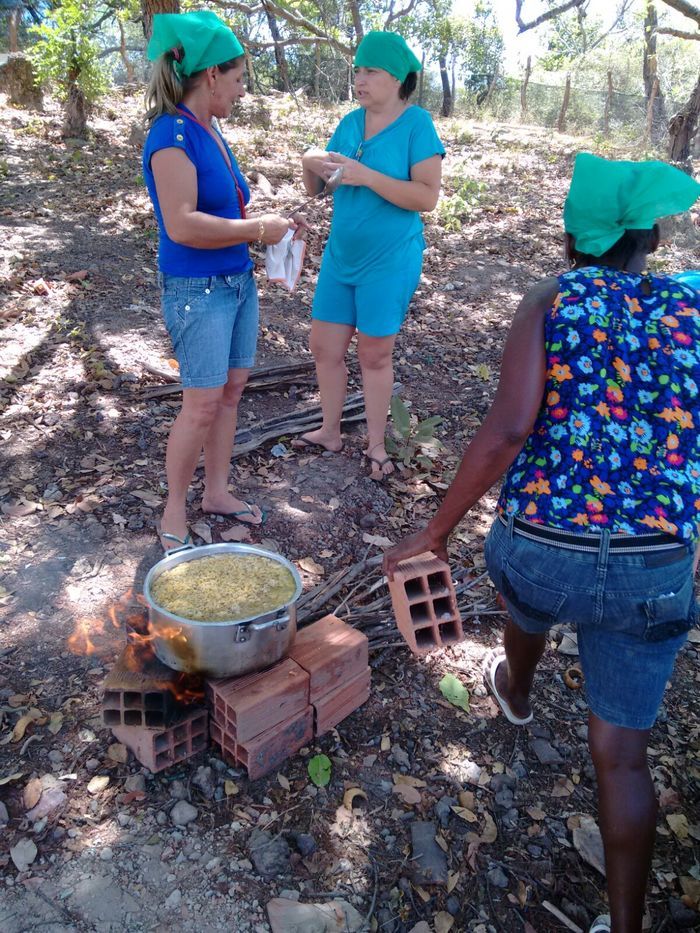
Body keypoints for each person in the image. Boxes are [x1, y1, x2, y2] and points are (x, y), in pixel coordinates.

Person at [384, 154, 700, 933]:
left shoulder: (550, 299)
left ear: (569, 237)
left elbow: (510, 428)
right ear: (651, 239)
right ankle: (624, 927)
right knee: (624, 756)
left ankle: (515, 688)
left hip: (543, 550)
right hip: (653, 568)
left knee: (525, 582)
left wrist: (433, 532)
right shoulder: (693, 310)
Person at [143, 11, 300, 552]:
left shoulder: (213, 132)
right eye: (236, 80)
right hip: (197, 290)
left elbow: (230, 206)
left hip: (236, 283)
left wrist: (273, 223)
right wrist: (258, 229)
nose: (239, 91)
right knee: (202, 402)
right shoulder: (171, 134)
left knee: (230, 393)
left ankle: (216, 492)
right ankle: (173, 511)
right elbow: (181, 223)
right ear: (210, 75)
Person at [294, 31, 444, 479]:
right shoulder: (349, 123)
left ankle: (376, 445)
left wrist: (367, 175)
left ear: (397, 78)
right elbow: (320, 189)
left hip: (389, 260)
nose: (360, 79)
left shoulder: (417, 125)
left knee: (374, 355)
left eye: (371, 71)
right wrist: (309, 164)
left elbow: (427, 196)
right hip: (341, 257)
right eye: (357, 70)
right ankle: (330, 429)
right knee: (324, 347)